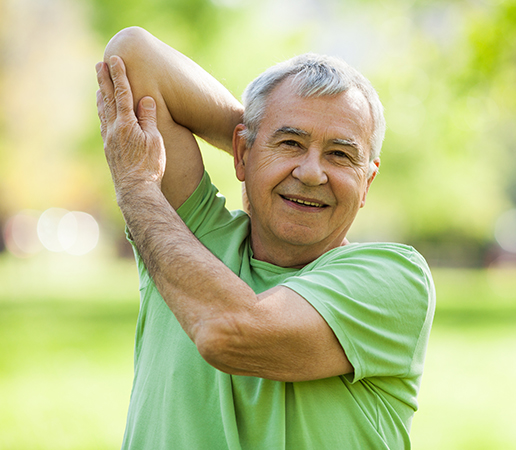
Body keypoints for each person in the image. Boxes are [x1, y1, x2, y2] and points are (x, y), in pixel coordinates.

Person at [96, 26, 435, 450]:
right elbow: (132, 56)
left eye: (340, 154)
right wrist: (256, 144)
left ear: (367, 183)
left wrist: (137, 188)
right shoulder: (190, 236)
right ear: (240, 154)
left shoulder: (394, 280)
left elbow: (229, 331)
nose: (312, 173)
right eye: (291, 143)